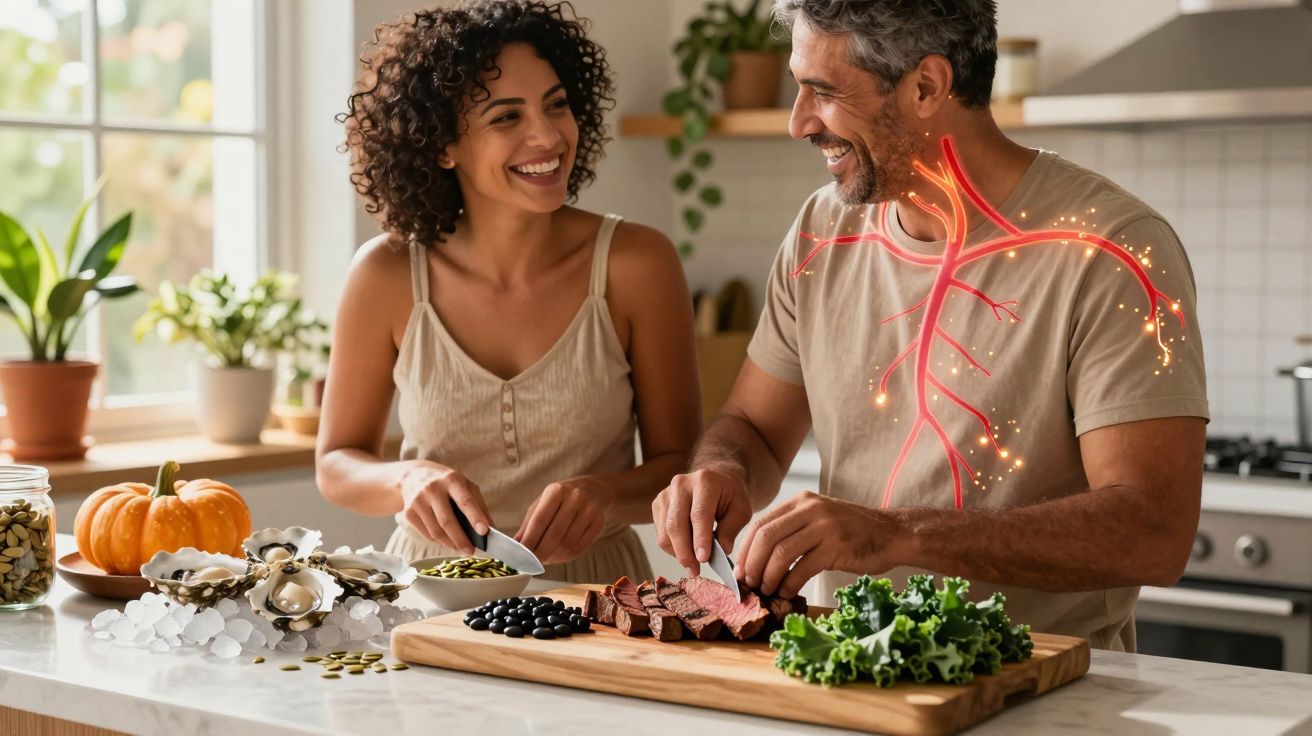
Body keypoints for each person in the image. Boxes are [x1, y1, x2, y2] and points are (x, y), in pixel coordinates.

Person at [653, 0, 1209, 651]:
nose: (799, 121)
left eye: (824, 93)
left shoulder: (1112, 251)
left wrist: (899, 536)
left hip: (1040, 693)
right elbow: (753, 429)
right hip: (856, 674)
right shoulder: (821, 231)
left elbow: (1153, 533)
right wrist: (723, 470)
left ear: (927, 86)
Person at [318, 0, 700, 584]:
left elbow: (683, 466)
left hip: (596, 592)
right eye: (505, 117)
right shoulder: (387, 274)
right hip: (428, 590)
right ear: (443, 144)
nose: (547, 136)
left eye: (557, 105)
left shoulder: (637, 263)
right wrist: (407, 479)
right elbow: (336, 463)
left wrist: (603, 495)